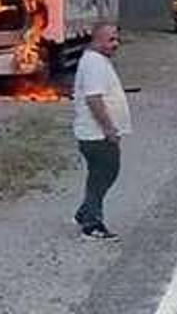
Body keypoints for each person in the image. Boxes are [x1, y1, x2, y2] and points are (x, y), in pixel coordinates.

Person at [72, 23, 130, 240]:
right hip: (96, 134)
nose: (115, 44)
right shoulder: (94, 63)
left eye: (116, 39)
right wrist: (109, 128)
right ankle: (91, 224)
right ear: (97, 40)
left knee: (100, 174)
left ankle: (86, 211)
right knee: (105, 173)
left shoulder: (97, 61)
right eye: (110, 40)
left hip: (96, 133)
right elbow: (94, 99)